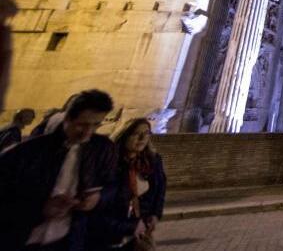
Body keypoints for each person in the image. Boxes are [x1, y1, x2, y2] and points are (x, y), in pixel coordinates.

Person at [0, 89, 116, 250]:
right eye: (82, 124)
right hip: (21, 239)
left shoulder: (103, 150)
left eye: (96, 124)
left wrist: (98, 197)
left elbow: (113, 185)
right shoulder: (25, 153)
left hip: (68, 240)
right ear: (67, 118)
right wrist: (40, 208)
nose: (88, 132)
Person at [91, 118, 166, 250]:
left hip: (140, 231)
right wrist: (129, 226)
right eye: (136, 133)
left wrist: (155, 214)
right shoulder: (110, 163)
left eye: (147, 133)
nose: (142, 138)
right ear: (125, 135)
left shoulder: (152, 161)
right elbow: (100, 207)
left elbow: (160, 189)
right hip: (112, 233)